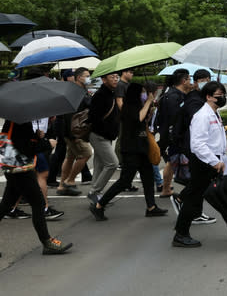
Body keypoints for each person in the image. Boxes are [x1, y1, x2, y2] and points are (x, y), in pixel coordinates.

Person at [173, 82, 227, 247]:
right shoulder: (202, 116)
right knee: (194, 199)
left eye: (223, 95)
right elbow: (197, 145)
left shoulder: (215, 114)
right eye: (219, 96)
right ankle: (181, 234)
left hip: (219, 161)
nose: (222, 98)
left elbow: (215, 138)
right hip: (205, 163)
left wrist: (223, 153)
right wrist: (215, 162)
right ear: (208, 96)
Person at [89, 82, 168, 220]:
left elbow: (141, 122)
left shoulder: (137, 105)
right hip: (131, 149)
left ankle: (151, 207)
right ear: (135, 93)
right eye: (142, 92)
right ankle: (99, 205)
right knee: (125, 181)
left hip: (141, 146)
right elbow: (137, 118)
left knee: (148, 176)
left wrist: (149, 111)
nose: (144, 94)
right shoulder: (128, 106)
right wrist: (148, 101)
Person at [0, 118, 72, 254]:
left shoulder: (14, 119)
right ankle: (47, 242)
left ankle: (47, 242)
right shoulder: (21, 122)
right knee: (38, 203)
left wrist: (37, 137)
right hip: (20, 168)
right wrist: (46, 143)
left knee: (6, 204)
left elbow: (19, 143)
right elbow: (25, 148)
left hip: (13, 167)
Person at [169, 69, 217, 226]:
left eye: (207, 79)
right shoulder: (194, 100)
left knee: (199, 182)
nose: (205, 82)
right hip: (193, 147)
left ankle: (190, 209)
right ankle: (186, 209)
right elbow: (199, 120)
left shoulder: (201, 98)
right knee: (199, 182)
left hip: (196, 146)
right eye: (202, 80)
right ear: (195, 82)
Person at [56, 67, 93, 197]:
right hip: (74, 132)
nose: (89, 78)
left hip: (74, 131)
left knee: (70, 157)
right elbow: (69, 114)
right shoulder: (74, 92)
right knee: (86, 153)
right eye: (86, 76)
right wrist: (73, 135)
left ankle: (61, 186)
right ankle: (70, 181)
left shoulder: (81, 90)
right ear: (79, 77)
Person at [156, 70, 191, 198]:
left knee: (170, 161)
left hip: (174, 134)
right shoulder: (173, 96)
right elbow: (174, 118)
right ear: (183, 81)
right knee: (173, 160)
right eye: (189, 79)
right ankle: (172, 188)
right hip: (175, 135)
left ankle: (166, 189)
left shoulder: (175, 94)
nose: (190, 82)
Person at [87, 72, 120, 205]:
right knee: (112, 163)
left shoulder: (111, 93)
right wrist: (106, 129)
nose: (115, 79)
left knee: (99, 166)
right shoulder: (100, 95)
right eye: (112, 77)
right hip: (99, 135)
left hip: (106, 136)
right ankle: (94, 192)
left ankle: (96, 194)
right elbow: (93, 117)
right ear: (104, 79)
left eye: (117, 77)